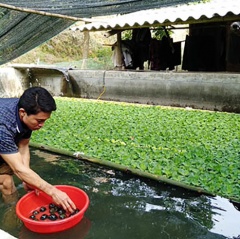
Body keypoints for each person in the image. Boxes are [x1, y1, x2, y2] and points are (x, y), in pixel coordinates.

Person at [0, 86, 76, 212]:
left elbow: (23, 146)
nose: (42, 125)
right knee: (6, 181)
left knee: (12, 180)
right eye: (39, 121)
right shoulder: (4, 127)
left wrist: (28, 178)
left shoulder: (25, 113)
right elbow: (18, 169)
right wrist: (53, 191)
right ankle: (12, 219)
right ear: (23, 113)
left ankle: (15, 212)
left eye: (45, 121)